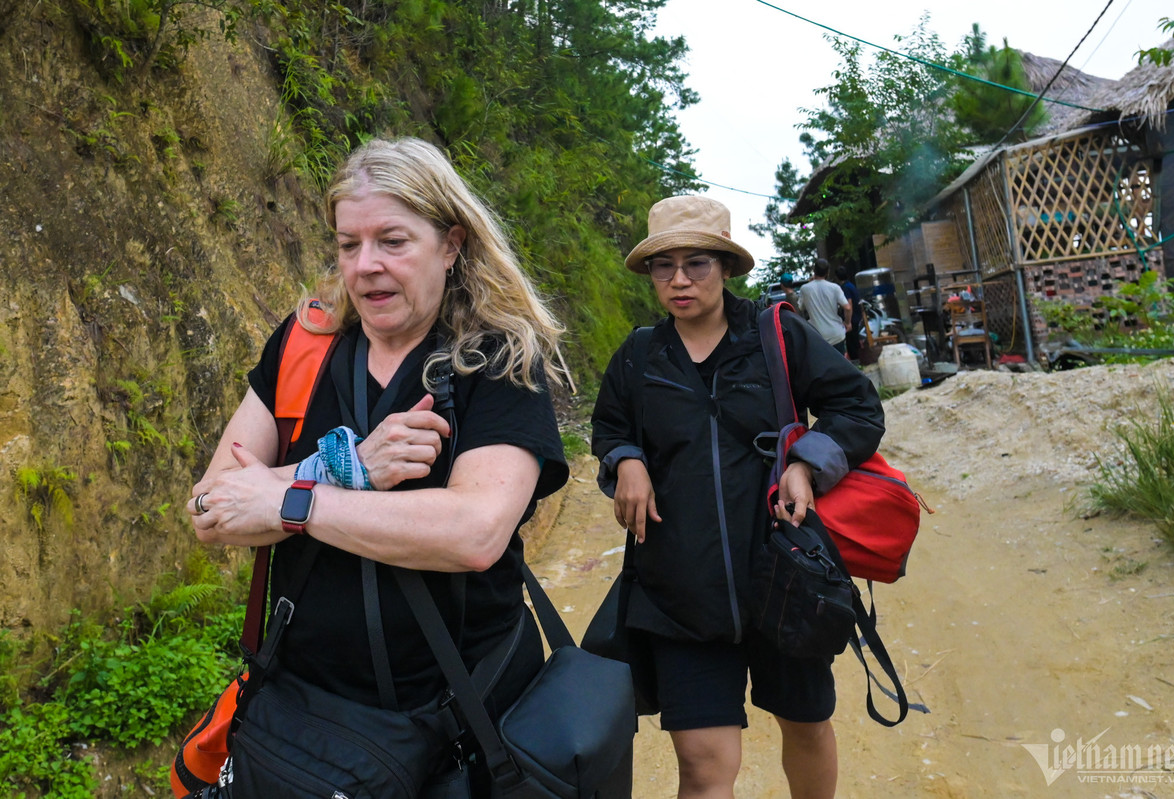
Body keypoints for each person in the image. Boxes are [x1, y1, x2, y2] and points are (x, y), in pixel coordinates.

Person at [187, 137, 569, 792]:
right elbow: (209, 510)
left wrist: (289, 498)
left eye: (393, 240)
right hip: (304, 715)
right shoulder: (305, 344)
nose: (365, 266)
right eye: (348, 244)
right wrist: (344, 467)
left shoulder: (497, 360)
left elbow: (475, 531)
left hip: (457, 725)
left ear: (450, 244)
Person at [590, 195, 884, 799]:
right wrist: (626, 462)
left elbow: (857, 408)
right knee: (701, 763)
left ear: (725, 267)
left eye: (696, 263)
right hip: (680, 592)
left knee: (806, 727)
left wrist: (807, 464)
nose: (678, 279)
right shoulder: (641, 356)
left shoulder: (777, 336)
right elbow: (610, 431)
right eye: (662, 266)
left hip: (785, 577)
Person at [796, 258, 851, 354]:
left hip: (818, 336)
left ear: (814, 270)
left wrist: (809, 283)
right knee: (840, 366)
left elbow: (800, 307)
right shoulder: (834, 287)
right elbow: (847, 307)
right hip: (836, 334)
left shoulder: (805, 289)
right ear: (828, 272)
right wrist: (847, 323)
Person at [834, 265, 862, 362]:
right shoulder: (850, 285)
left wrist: (847, 321)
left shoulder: (845, 288)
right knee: (855, 341)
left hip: (852, 318)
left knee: (852, 343)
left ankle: (856, 362)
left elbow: (848, 305)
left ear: (837, 277)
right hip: (857, 316)